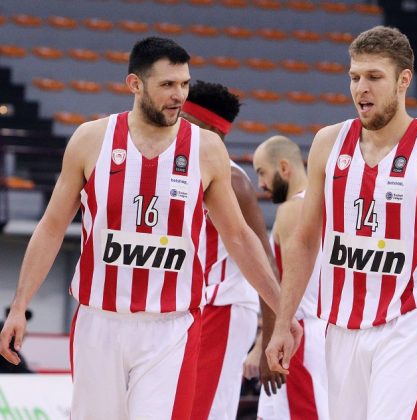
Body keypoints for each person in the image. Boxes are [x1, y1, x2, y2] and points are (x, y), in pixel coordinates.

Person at [0, 37, 300, 419]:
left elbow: (240, 238)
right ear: (135, 84)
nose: (179, 95)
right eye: (167, 85)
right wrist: (19, 306)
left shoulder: (206, 150)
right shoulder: (91, 140)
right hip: (99, 321)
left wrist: (282, 313)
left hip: (170, 328)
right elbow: (51, 227)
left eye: (184, 84)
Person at [265, 26, 417, 420]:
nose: (361, 88)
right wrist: (283, 323)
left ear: (404, 80)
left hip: (407, 324)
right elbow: (303, 241)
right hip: (340, 327)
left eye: (374, 77)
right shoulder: (327, 143)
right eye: (354, 77)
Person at [179, 80, 283, 420]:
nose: (177, 126)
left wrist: (269, 340)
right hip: (193, 306)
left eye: (186, 121)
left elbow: (266, 261)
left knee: (206, 410)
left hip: (224, 305)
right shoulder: (182, 169)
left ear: (210, 131)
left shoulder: (234, 181)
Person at [251, 135, 329, 420]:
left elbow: (284, 285)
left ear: (284, 168)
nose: (261, 183)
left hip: (299, 333)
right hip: (316, 330)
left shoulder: (292, 210)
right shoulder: (324, 203)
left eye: (262, 172)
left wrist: (264, 343)